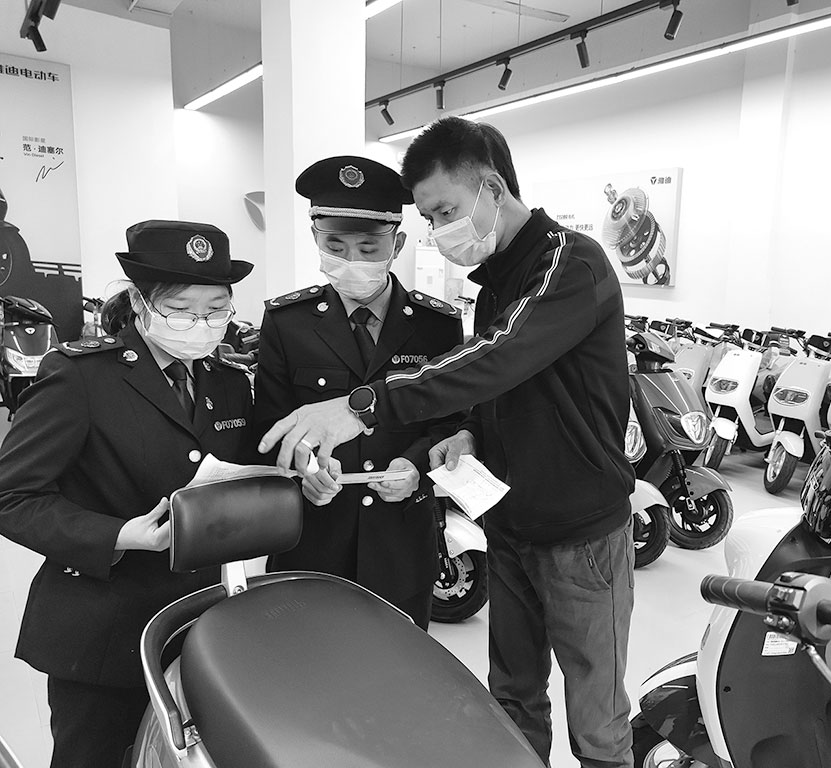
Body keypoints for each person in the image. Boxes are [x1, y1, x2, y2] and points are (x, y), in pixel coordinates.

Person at [259, 119, 636, 768]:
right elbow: (501, 393)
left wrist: (363, 405)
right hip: (509, 523)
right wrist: (468, 432)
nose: (439, 231)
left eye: (444, 212)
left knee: (597, 720)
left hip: (579, 534)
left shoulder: (570, 263)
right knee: (512, 697)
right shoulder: (496, 282)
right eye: (429, 218)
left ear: (491, 188)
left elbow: (501, 356)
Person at [0, 220, 255, 768]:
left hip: (198, 624)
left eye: (216, 311)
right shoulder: (81, 375)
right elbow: (12, 495)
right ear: (140, 303)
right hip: (102, 628)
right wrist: (118, 535)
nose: (201, 326)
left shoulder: (228, 381)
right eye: (181, 310)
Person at [253, 155, 464, 630]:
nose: (352, 261)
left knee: (399, 665)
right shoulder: (288, 323)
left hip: (401, 542)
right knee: (306, 664)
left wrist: (417, 468)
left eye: (368, 248)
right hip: (313, 542)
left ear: (397, 244)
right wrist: (307, 469)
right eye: (335, 246)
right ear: (316, 240)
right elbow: (269, 427)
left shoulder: (436, 325)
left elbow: (451, 422)